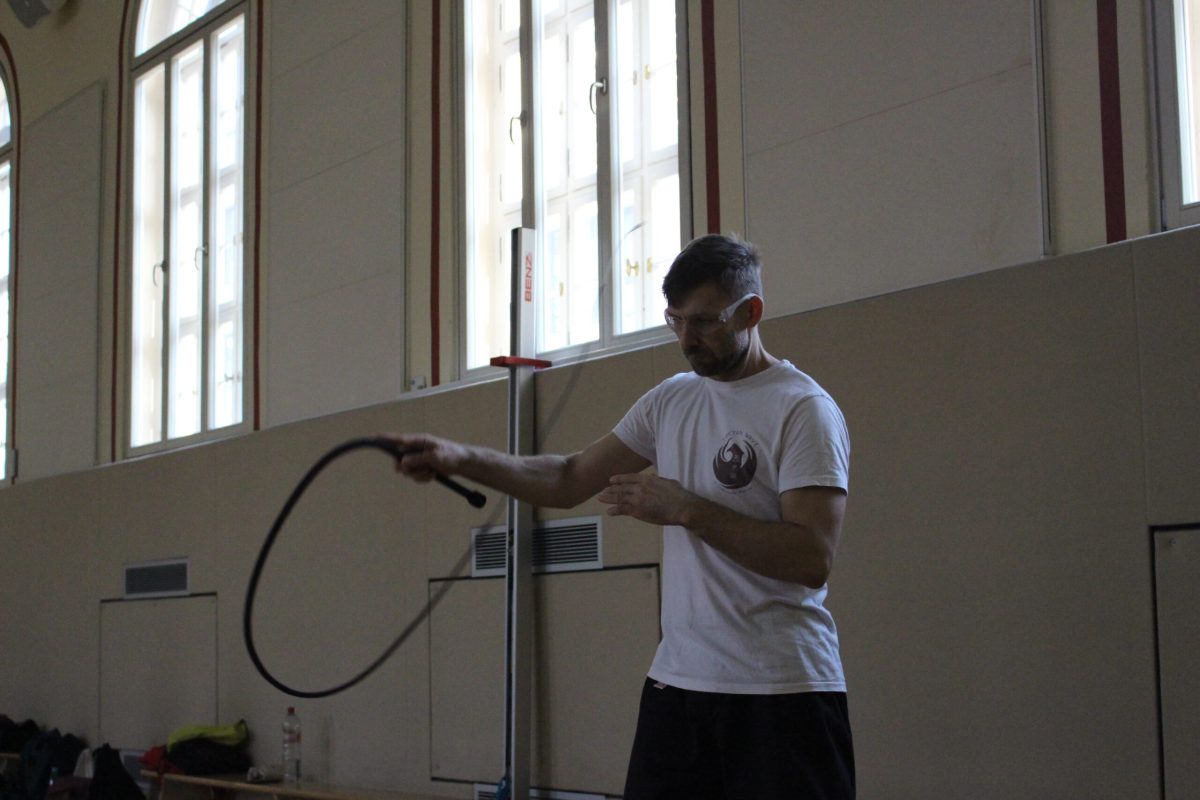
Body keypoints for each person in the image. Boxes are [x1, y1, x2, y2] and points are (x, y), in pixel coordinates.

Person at [388, 233, 854, 799]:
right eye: (675, 320)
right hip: (678, 686)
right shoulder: (671, 400)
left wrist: (685, 508)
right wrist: (461, 458)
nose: (687, 339)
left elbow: (810, 557)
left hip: (782, 693)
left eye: (704, 322)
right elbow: (567, 478)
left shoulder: (802, 409)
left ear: (750, 312)